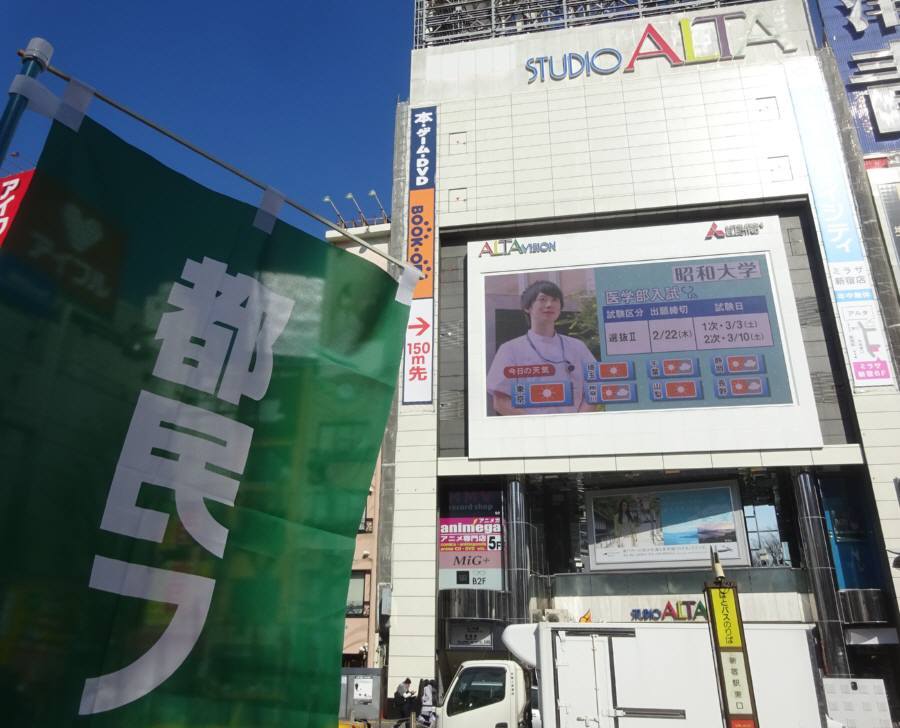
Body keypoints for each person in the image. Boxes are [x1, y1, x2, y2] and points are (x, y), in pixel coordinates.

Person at [486, 280, 597, 415]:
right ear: (528, 307)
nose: (549, 305)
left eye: (555, 300)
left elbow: (593, 389)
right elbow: (501, 401)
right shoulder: (510, 349)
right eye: (542, 299)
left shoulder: (577, 347)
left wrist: (577, 423)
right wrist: (537, 427)